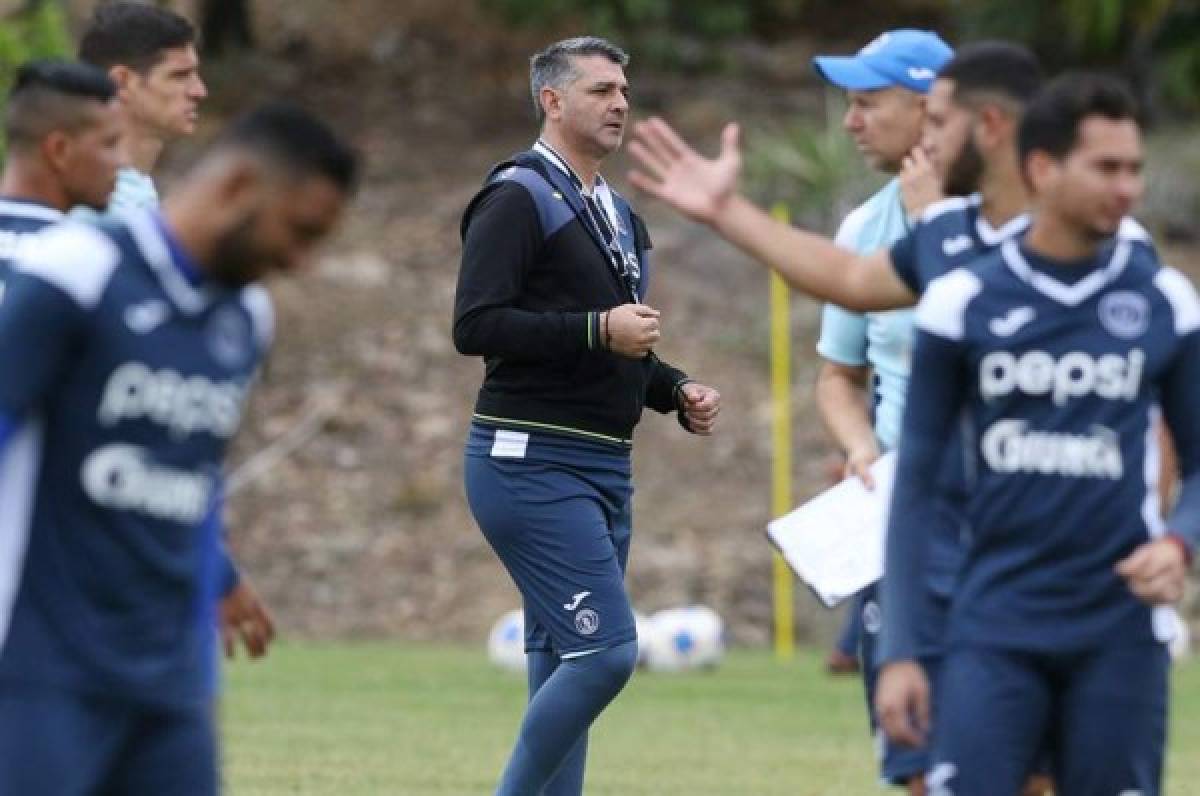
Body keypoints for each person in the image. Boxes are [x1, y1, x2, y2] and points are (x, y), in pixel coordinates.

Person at [0, 102, 358, 795]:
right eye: (301, 231)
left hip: (171, 682)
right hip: (43, 668)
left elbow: (191, 475)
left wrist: (217, 578)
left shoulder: (247, 317)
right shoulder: (77, 272)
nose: (302, 260)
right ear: (236, 188)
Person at [875, 73, 1198, 795]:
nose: (1127, 188)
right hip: (991, 626)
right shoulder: (963, 301)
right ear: (1042, 168)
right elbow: (916, 486)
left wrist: (1179, 541)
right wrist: (901, 650)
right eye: (1106, 168)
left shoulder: (1166, 301)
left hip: (1120, 633)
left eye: (1135, 168)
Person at [454, 36, 720, 796]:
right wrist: (597, 328)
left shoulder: (622, 216)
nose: (620, 103)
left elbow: (616, 351)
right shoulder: (517, 196)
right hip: (529, 461)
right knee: (605, 656)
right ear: (553, 100)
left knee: (562, 661)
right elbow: (475, 326)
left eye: (624, 91)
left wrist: (673, 390)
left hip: (605, 464)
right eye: (602, 89)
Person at [79, 0, 274, 659]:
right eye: (180, 75)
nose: (201, 89)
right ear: (121, 84)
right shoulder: (94, 207)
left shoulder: (137, 197)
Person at [809, 29, 952, 793]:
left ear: (930, 109)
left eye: (867, 102)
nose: (849, 121)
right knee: (911, 755)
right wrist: (860, 445)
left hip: (1012, 519)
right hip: (902, 523)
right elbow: (838, 376)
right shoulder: (864, 229)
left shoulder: (1025, 214)